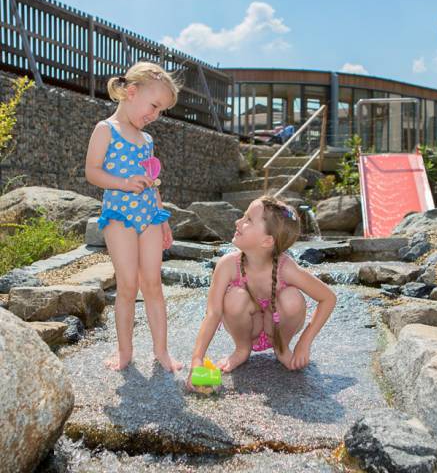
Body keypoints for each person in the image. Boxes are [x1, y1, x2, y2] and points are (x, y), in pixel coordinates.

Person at [85, 61, 182, 372]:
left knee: (152, 283)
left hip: (150, 216)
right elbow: (92, 172)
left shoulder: (146, 140)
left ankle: (161, 351)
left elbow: (151, 182)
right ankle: (125, 352)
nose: (154, 115)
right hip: (119, 216)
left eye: (161, 111)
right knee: (127, 284)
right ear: (131, 92)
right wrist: (124, 183)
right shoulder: (106, 130)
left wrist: (163, 218)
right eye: (153, 106)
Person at [187, 195, 337, 389]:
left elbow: (328, 298)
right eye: (243, 216)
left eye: (248, 219)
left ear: (267, 241)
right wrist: (197, 360)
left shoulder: (286, 268)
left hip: (277, 326)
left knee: (292, 298)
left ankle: (281, 349)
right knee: (235, 298)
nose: (238, 222)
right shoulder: (227, 265)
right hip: (249, 328)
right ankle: (242, 349)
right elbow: (213, 313)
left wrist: (304, 342)